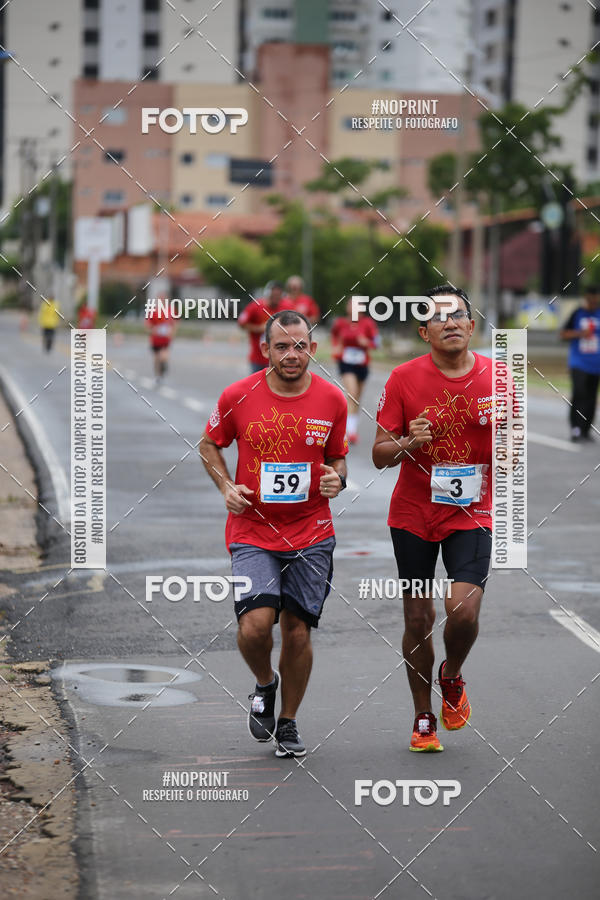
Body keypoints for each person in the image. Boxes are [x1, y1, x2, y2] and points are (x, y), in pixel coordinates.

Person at [201, 309, 348, 757]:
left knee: (298, 631)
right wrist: (226, 486)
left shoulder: (333, 399)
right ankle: (265, 682)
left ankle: (288, 722)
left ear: (313, 350)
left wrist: (336, 479)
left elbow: (338, 459)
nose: (291, 354)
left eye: (300, 346)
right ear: (265, 349)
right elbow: (209, 443)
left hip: (311, 532)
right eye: (281, 346)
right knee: (254, 626)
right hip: (252, 530)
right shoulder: (238, 395)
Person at [372, 284, 493, 753]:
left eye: (458, 315)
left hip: (473, 512)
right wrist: (409, 443)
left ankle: (453, 672)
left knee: (462, 609)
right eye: (439, 318)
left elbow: (515, 452)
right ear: (424, 331)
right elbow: (380, 454)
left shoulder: (499, 377)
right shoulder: (403, 378)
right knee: (418, 616)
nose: (450, 323)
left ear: (471, 323)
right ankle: (423, 716)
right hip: (414, 513)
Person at [331, 297, 379, 443]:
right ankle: (348, 432)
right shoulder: (341, 323)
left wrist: (367, 342)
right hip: (346, 363)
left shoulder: (368, 323)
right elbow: (334, 336)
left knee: (356, 399)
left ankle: (352, 429)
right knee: (351, 394)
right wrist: (337, 347)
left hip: (362, 365)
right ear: (347, 307)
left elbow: (376, 342)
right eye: (352, 305)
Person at [559, 286, 600, 442]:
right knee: (579, 394)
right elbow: (563, 334)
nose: (593, 304)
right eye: (590, 300)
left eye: (595, 301)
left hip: (596, 364)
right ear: (586, 298)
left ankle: (586, 430)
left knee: (591, 397)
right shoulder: (577, 313)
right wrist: (580, 334)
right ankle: (575, 428)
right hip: (579, 362)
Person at [238, 280, 288, 373]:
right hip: (258, 358)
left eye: (279, 296)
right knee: (257, 385)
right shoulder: (255, 306)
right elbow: (241, 323)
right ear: (268, 294)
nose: (276, 298)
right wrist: (258, 328)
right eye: (274, 295)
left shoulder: (286, 307)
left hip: (278, 359)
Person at [146, 302, 175, 385]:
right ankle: (157, 376)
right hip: (155, 340)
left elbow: (173, 325)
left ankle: (163, 368)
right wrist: (153, 330)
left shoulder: (169, 312)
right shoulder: (153, 312)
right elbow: (148, 325)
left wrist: (171, 334)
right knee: (156, 359)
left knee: (163, 357)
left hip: (165, 340)